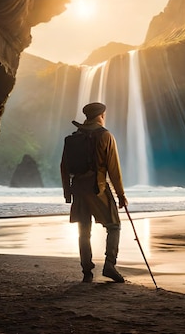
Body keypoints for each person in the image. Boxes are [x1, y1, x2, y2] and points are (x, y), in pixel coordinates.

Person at [60, 102, 128, 283]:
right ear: (101, 115)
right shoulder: (105, 136)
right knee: (114, 226)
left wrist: (67, 193)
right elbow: (114, 170)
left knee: (84, 230)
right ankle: (110, 265)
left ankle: (87, 271)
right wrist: (121, 195)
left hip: (78, 189)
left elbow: (64, 168)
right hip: (97, 188)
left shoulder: (73, 138)